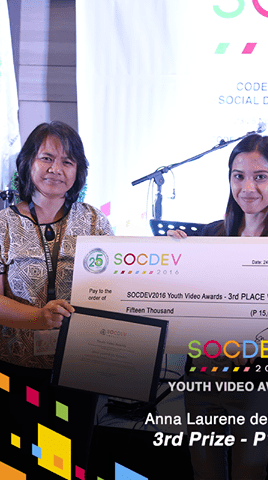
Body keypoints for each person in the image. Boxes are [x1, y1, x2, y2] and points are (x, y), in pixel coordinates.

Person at [169, 134, 268, 480]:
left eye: (260, 176)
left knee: (249, 472)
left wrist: (256, 346)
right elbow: (187, 305)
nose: (247, 187)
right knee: (204, 471)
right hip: (203, 376)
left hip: (255, 383)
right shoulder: (207, 236)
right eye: (238, 176)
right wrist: (169, 261)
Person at [0, 122, 113, 478]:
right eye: (46, 158)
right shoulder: (4, 225)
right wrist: (38, 318)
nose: (56, 169)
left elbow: (118, 286)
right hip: (16, 371)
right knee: (21, 464)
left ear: (78, 171)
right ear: (28, 163)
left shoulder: (94, 221)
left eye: (67, 161)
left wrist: (173, 250)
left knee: (68, 465)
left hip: (77, 370)